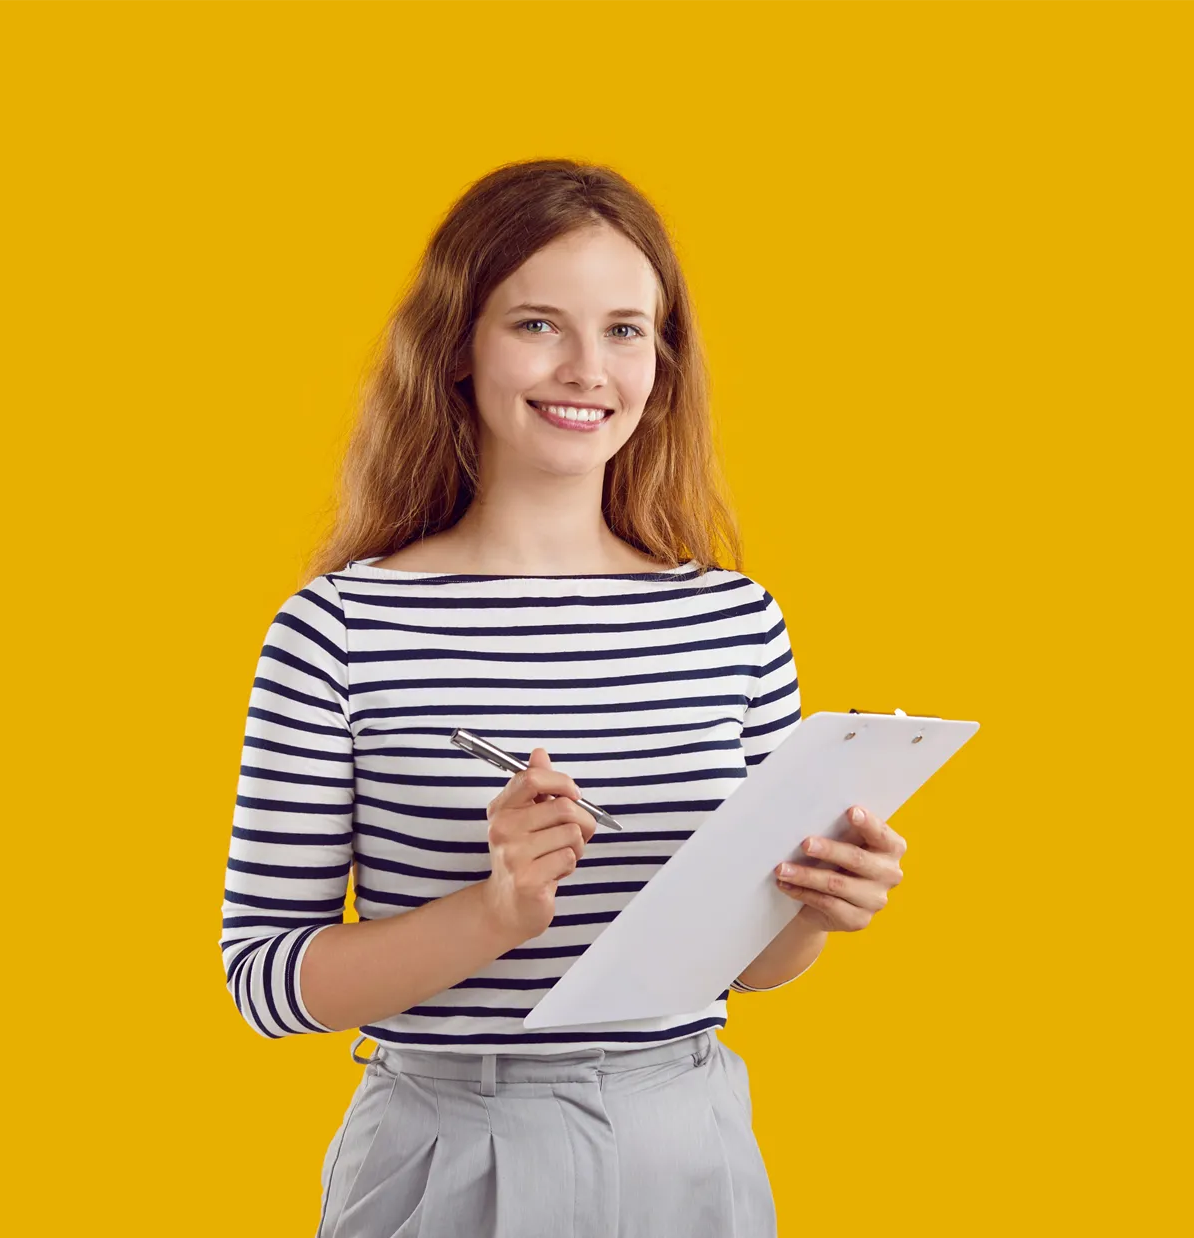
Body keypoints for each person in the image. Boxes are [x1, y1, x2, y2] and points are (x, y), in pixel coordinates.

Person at [218, 158, 907, 1237]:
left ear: (663, 359)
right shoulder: (339, 629)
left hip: (690, 1142)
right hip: (445, 1148)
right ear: (458, 346)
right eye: (539, 324)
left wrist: (818, 906)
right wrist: (491, 915)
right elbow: (263, 976)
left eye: (628, 329)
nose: (589, 369)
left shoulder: (735, 621)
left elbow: (752, 961)